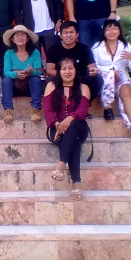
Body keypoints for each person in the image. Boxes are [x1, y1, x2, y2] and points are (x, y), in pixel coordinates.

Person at [43, 57, 91, 200]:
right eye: (64, 68)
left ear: (76, 70)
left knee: (74, 125)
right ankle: (77, 184)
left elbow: (82, 111)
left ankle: (61, 163)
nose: (67, 71)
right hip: (56, 128)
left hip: (79, 127)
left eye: (71, 68)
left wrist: (68, 120)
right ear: (59, 71)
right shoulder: (51, 85)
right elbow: (48, 111)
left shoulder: (83, 87)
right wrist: (58, 124)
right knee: (74, 141)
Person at [91, 19, 131, 140]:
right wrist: (110, 71)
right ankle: (107, 107)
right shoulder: (97, 47)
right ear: (104, 32)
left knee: (127, 91)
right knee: (109, 74)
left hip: (122, 79)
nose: (111, 31)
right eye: (108, 29)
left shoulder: (125, 46)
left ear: (119, 31)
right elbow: (94, 66)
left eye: (114, 28)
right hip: (104, 80)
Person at [45, 21, 102, 114]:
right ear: (61, 35)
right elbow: (49, 70)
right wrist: (66, 74)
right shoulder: (53, 49)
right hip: (61, 79)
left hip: (80, 79)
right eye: (65, 32)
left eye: (71, 32)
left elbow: (92, 67)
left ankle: (82, 106)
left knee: (97, 79)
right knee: (50, 80)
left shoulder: (84, 48)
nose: (68, 35)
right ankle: (60, 108)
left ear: (77, 35)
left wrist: (93, 71)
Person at [1, 25, 43, 123]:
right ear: (13, 39)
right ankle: (8, 110)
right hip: (14, 87)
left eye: (23, 35)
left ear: (27, 38)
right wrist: (16, 74)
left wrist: (31, 72)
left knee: (36, 79)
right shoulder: (9, 53)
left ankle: (36, 110)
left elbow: (39, 70)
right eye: (17, 35)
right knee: (6, 80)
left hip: (30, 87)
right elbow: (6, 72)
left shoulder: (35, 52)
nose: (20, 37)